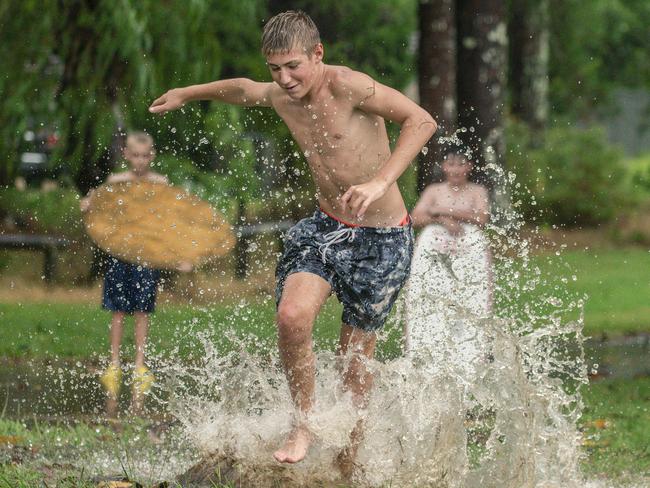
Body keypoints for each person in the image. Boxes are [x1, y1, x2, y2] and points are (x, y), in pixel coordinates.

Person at [149, 10, 436, 471]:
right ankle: (303, 421)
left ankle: (349, 458)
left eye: (293, 66)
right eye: (275, 69)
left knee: (354, 362)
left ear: (317, 55)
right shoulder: (283, 96)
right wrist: (188, 92)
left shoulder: (349, 86)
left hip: (382, 239)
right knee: (291, 316)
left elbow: (421, 121)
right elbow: (243, 90)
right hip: (325, 227)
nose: (283, 79)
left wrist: (380, 182)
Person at [80, 131, 169, 402]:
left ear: (151, 156)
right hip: (120, 253)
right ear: (127, 155)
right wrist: (89, 205)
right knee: (118, 311)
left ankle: (140, 364)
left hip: (146, 256)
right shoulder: (115, 182)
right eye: (135, 155)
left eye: (145, 155)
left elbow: (168, 218)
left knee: (142, 310)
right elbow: (100, 209)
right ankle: (114, 363)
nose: (140, 161)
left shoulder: (160, 184)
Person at [404, 152, 492, 370]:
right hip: (436, 249)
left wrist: (445, 210)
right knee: (431, 295)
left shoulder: (477, 191)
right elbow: (415, 218)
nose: (455, 170)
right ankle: (427, 352)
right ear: (444, 166)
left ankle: (470, 356)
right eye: (450, 164)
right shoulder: (434, 191)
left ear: (469, 167)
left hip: (468, 251)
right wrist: (442, 219)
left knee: (470, 296)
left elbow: (482, 218)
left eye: (460, 165)